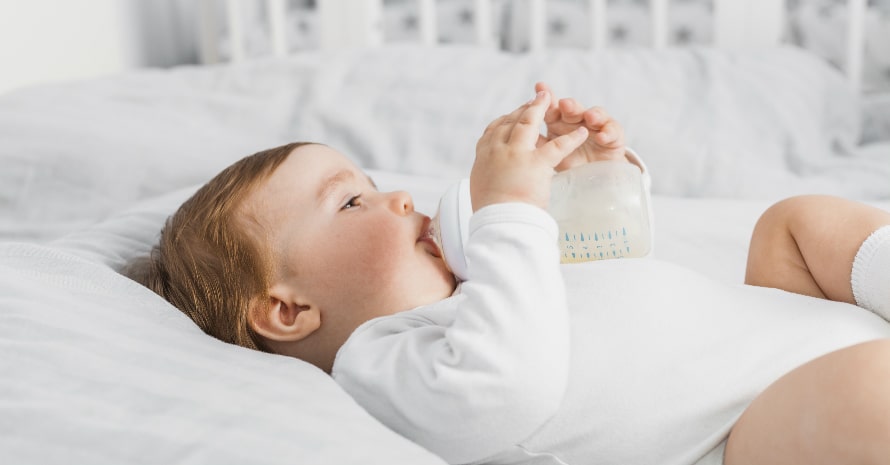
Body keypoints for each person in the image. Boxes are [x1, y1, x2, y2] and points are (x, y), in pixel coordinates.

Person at [129, 82, 890, 465]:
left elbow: (620, 276)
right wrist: (512, 212)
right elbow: (511, 388)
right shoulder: (386, 358)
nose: (396, 194)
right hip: (756, 425)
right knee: (867, 386)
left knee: (795, 222)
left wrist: (591, 184)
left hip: (799, 326)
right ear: (288, 309)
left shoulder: (484, 285)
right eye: (352, 199)